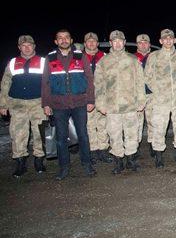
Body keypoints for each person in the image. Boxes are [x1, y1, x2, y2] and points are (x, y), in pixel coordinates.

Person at [42, 30, 96, 180]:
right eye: (60, 38)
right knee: (61, 138)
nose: (64, 40)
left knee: (83, 135)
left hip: (79, 103)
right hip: (59, 104)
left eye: (66, 38)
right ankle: (64, 167)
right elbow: (45, 82)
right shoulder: (50, 58)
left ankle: (87, 164)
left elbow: (89, 79)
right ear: (56, 41)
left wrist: (90, 100)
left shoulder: (80, 55)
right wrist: (46, 103)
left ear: (71, 40)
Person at [95, 30, 146, 175]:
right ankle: (119, 162)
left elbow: (140, 82)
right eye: (114, 41)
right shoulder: (103, 62)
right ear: (111, 43)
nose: (117, 43)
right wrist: (100, 104)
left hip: (130, 105)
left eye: (120, 41)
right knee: (114, 134)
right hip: (112, 107)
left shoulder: (132, 60)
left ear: (124, 42)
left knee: (131, 134)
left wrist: (141, 100)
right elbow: (98, 85)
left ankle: (131, 160)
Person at [0, 35, 47, 177]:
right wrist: (3, 104)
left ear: (34, 46)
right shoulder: (13, 62)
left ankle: (39, 160)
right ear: (19, 47)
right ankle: (20, 162)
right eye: (23, 45)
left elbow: (49, 84)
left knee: (40, 133)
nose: (27, 48)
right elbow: (5, 83)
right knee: (18, 134)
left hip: (38, 103)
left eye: (29, 45)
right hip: (17, 103)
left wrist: (49, 103)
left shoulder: (43, 62)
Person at [145, 29, 176, 167]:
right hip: (160, 101)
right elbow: (147, 77)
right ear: (160, 41)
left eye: (170, 38)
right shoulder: (154, 56)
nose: (168, 40)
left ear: (174, 40)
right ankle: (158, 157)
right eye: (165, 38)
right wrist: (158, 91)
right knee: (159, 128)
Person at [83, 32, 111, 164]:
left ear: (97, 43)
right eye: (89, 41)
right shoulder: (79, 58)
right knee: (89, 125)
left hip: (103, 96)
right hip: (85, 96)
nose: (91, 43)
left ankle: (103, 150)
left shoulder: (105, 57)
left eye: (94, 41)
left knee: (103, 124)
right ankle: (93, 151)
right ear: (85, 44)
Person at [135, 34, 153, 150]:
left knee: (153, 121)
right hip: (137, 95)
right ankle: (135, 146)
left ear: (149, 44)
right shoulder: (132, 58)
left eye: (145, 42)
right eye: (140, 43)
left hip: (152, 94)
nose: (143, 44)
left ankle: (153, 145)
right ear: (137, 45)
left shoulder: (155, 57)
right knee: (137, 122)